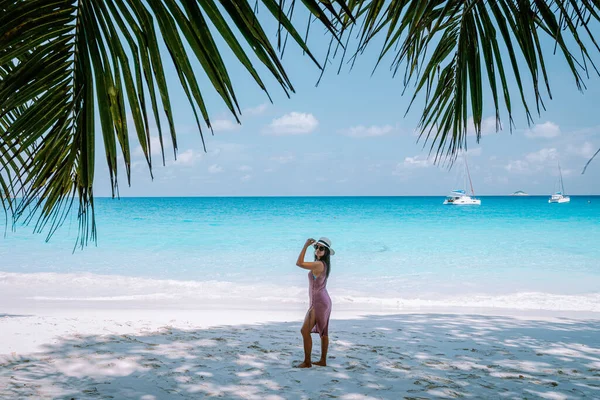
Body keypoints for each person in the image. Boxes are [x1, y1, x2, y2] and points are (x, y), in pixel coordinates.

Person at [295, 237, 334, 368]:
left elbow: (299, 263)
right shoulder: (323, 264)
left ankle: (307, 362)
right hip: (323, 301)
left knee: (304, 331)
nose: (318, 249)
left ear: (326, 252)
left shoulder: (319, 264)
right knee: (324, 332)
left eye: (321, 248)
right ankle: (322, 360)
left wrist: (305, 245)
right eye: (316, 247)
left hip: (319, 302)